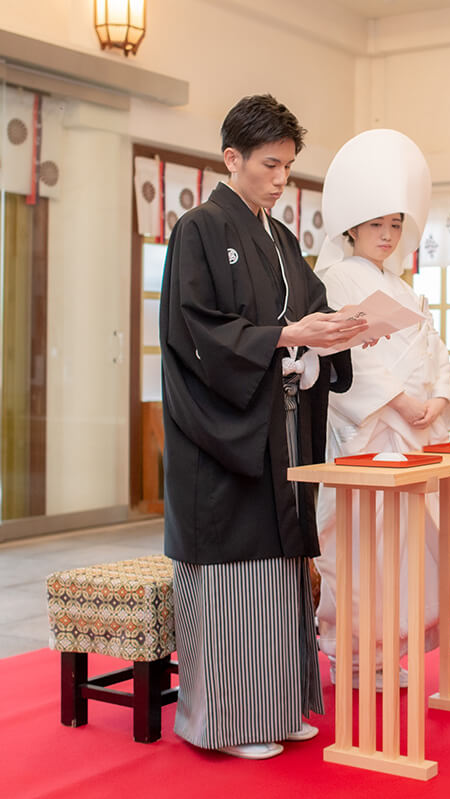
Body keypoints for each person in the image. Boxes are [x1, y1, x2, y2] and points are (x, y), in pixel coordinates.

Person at [159, 94, 368, 760]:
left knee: (281, 573)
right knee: (232, 578)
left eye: (288, 167)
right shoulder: (197, 229)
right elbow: (196, 332)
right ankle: (224, 721)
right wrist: (284, 337)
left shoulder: (279, 239)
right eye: (270, 165)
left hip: (276, 429)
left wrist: (329, 338)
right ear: (232, 158)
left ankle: (277, 708)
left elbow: (309, 313)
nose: (281, 181)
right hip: (222, 438)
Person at [313, 129, 450, 687]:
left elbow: (434, 349)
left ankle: (386, 648)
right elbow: (348, 360)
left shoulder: (402, 287)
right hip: (367, 433)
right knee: (357, 544)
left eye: (396, 224)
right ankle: (348, 653)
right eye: (377, 224)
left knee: (399, 549)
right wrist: (403, 401)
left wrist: (439, 398)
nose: (387, 234)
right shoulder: (332, 278)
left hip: (408, 430)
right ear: (351, 226)